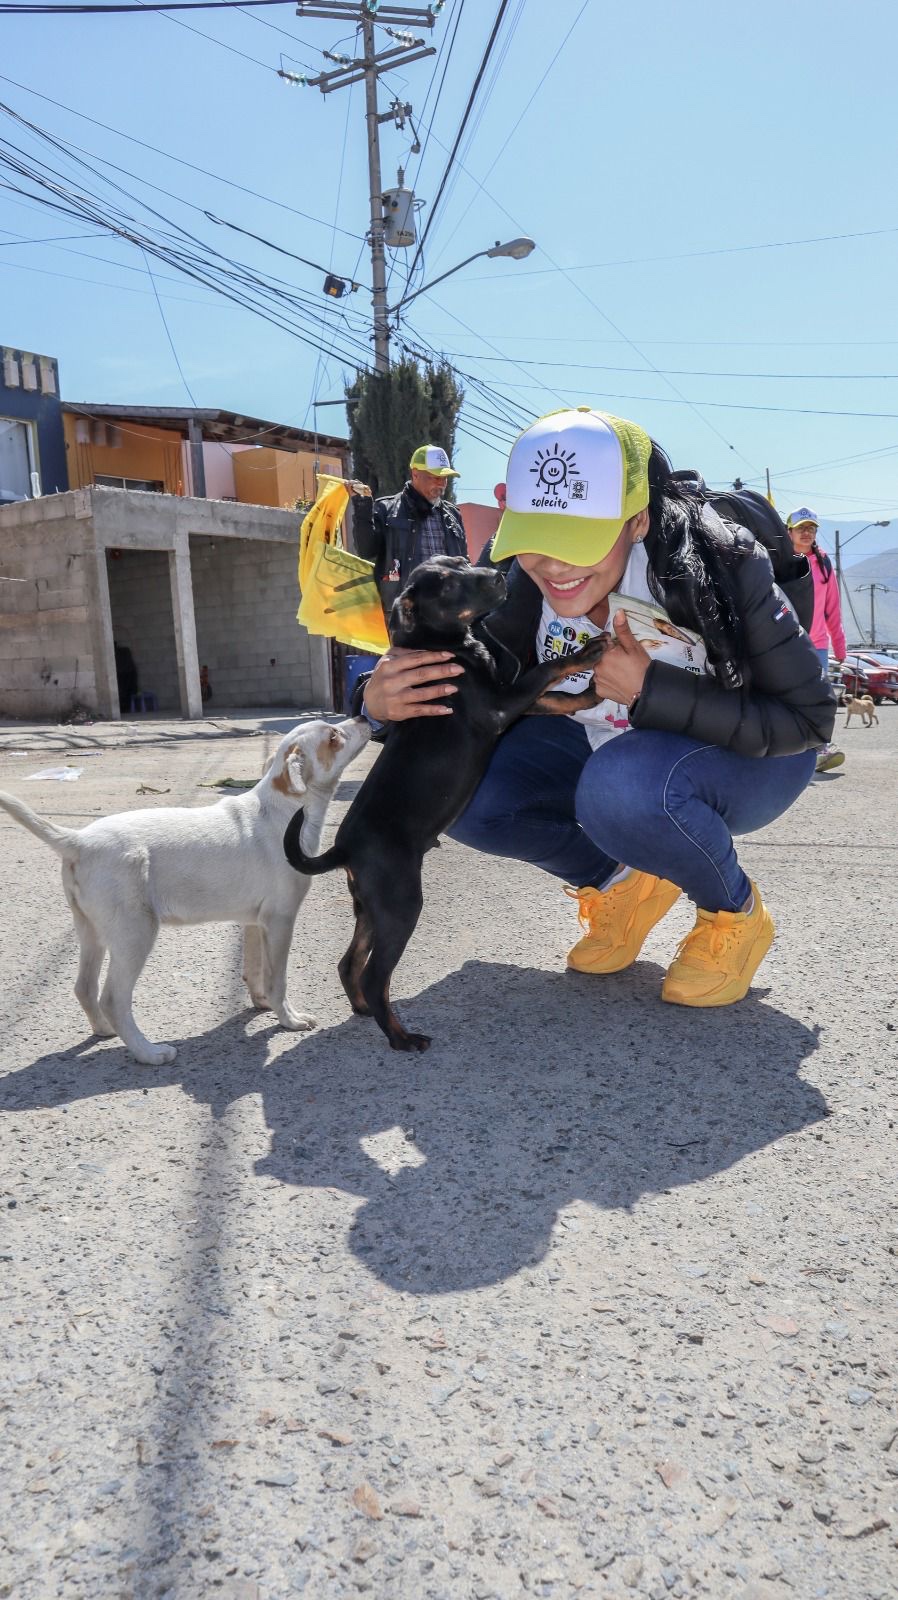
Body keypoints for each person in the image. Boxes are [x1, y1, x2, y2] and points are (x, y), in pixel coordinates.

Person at [360, 407, 835, 1008]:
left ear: (635, 520)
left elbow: (809, 719)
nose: (553, 567)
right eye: (535, 541)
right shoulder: (517, 577)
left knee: (620, 788)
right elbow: (460, 682)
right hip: (598, 743)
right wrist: (376, 702)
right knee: (461, 796)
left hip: (755, 756)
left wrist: (650, 690)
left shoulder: (719, 560)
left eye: (577, 542)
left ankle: (733, 914)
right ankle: (623, 886)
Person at [351, 444, 467, 618]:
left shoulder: (452, 514)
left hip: (449, 611)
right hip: (407, 613)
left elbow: (464, 562)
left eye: (445, 478)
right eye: (435, 477)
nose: (442, 484)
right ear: (415, 474)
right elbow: (366, 550)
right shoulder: (387, 509)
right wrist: (362, 508)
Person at [785, 506, 846, 773]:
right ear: (789, 532)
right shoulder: (778, 561)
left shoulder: (823, 564)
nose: (806, 533)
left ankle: (821, 749)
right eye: (801, 528)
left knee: (819, 697)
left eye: (811, 528)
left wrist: (840, 645)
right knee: (785, 696)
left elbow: (832, 607)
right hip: (784, 642)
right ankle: (786, 751)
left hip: (817, 643)